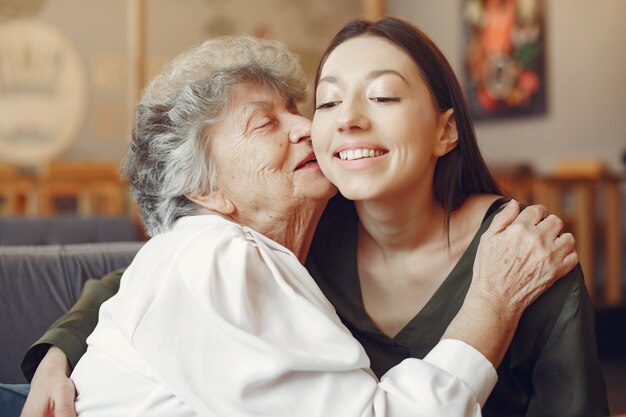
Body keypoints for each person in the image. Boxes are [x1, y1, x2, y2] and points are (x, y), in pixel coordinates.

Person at [19, 30, 577, 417]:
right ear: (207, 190)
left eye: (302, 108)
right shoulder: (212, 256)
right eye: (266, 123)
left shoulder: (327, 217)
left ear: (445, 130)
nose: (310, 127)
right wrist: (491, 303)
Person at [307, 17, 608, 417]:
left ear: (445, 130)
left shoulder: (526, 250)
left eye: (382, 96)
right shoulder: (303, 255)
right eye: (328, 102)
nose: (347, 119)